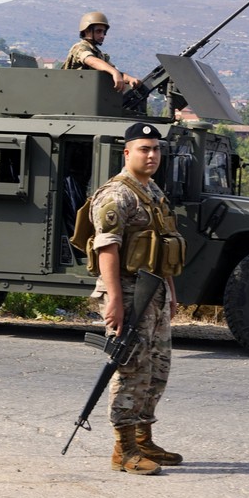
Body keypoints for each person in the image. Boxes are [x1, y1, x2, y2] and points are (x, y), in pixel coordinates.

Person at [86, 122, 184, 475]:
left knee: (156, 369)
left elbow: (164, 244)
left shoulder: (152, 191)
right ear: (127, 152)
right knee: (130, 368)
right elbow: (107, 248)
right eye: (144, 148)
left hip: (154, 291)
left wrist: (170, 290)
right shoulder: (116, 195)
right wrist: (114, 298)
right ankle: (123, 449)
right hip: (126, 292)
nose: (152, 155)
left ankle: (144, 439)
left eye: (156, 149)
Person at [61, 11, 142, 92]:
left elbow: (116, 72)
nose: (102, 36)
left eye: (104, 32)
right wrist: (114, 72)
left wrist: (131, 79)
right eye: (98, 31)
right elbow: (91, 60)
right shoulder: (79, 47)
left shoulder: (99, 55)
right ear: (86, 31)